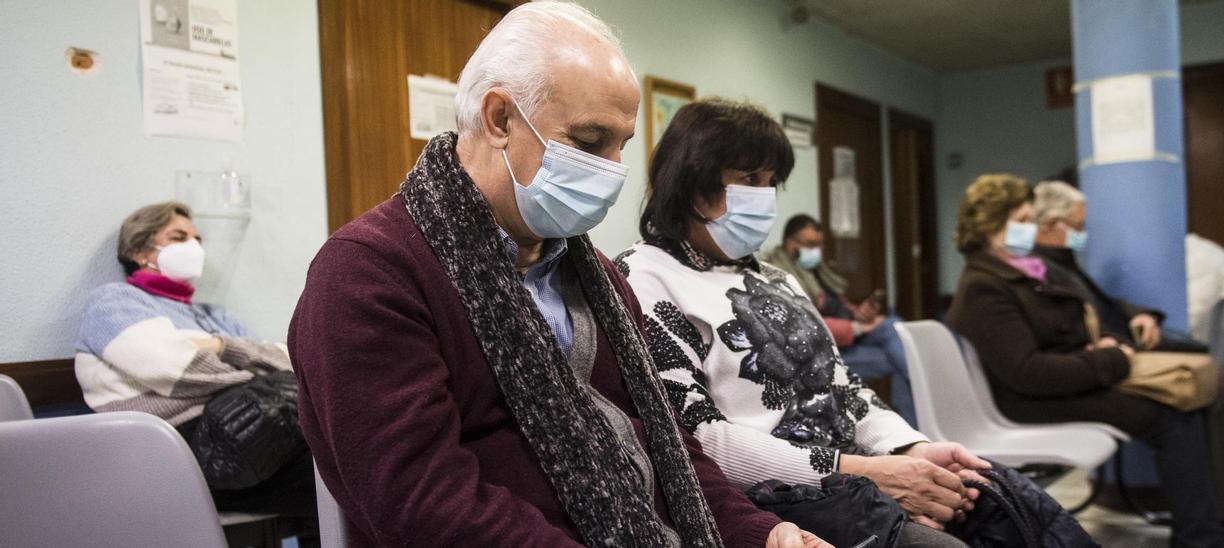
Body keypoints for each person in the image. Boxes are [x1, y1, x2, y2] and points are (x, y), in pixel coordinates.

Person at [288, 4, 826, 547]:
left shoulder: (599, 281)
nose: (613, 169)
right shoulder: (368, 274)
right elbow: (422, 502)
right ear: (499, 118)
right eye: (591, 142)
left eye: (621, 145)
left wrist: (764, 532)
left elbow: (667, 445)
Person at [616, 98, 1007, 547]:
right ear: (693, 185)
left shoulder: (776, 278)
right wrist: (867, 473)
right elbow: (695, 437)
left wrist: (909, 449)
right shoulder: (644, 276)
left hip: (854, 473)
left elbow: (845, 389)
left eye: (770, 182)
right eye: (749, 180)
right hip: (772, 497)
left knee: (1001, 501)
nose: (765, 196)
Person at [948, 174, 1224, 548]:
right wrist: (1111, 358)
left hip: (1065, 380)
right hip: (1029, 401)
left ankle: (1210, 526)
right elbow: (1029, 373)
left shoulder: (1023, 270)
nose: (1030, 228)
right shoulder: (984, 285)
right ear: (991, 223)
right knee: (1172, 416)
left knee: (1184, 404)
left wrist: (1101, 346)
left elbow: (1073, 327)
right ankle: (1200, 537)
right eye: (1022, 219)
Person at [74, 201, 317, 537]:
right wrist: (254, 372)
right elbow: (175, 368)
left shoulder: (213, 316)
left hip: (256, 441)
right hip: (173, 452)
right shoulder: (114, 302)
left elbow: (286, 358)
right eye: (179, 237)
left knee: (340, 470)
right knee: (343, 471)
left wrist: (221, 346)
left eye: (197, 239)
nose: (194, 247)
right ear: (139, 251)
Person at [763, 214, 916, 427]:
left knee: (893, 329)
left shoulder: (816, 273)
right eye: (810, 244)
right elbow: (806, 324)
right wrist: (857, 327)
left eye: (818, 244)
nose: (815, 250)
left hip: (845, 343)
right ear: (791, 244)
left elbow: (838, 305)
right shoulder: (781, 277)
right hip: (819, 357)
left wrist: (858, 313)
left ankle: (913, 425)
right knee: (895, 341)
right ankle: (923, 386)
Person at [1031, 180, 1205, 353]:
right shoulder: (1040, 269)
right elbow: (1083, 324)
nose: (1082, 233)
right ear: (1052, 223)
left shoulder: (1064, 260)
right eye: (1078, 226)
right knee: (1203, 364)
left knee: (1200, 352)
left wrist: (1140, 315)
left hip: (1127, 336)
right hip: (1117, 349)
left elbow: (1106, 303)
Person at [1186, 232, 1224, 343]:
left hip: (1207, 343)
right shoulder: (1204, 251)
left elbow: (1193, 316)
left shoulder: (1200, 258)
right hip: (1220, 343)